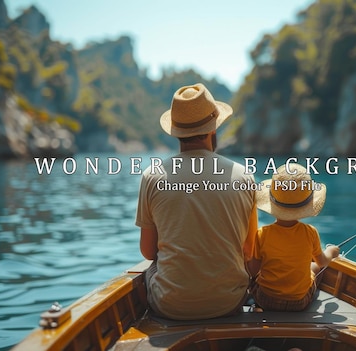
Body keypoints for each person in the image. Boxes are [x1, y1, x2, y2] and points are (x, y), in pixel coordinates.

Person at [135, 83, 258, 320]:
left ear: (175, 131)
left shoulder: (152, 176)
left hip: (170, 305)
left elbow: (149, 251)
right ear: (213, 130)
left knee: (149, 270)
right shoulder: (244, 176)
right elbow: (249, 252)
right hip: (228, 302)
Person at [248, 162, 340, 312]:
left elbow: (253, 270)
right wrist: (332, 251)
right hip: (299, 303)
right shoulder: (310, 232)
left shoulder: (262, 234)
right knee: (314, 267)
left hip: (265, 300)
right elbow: (322, 262)